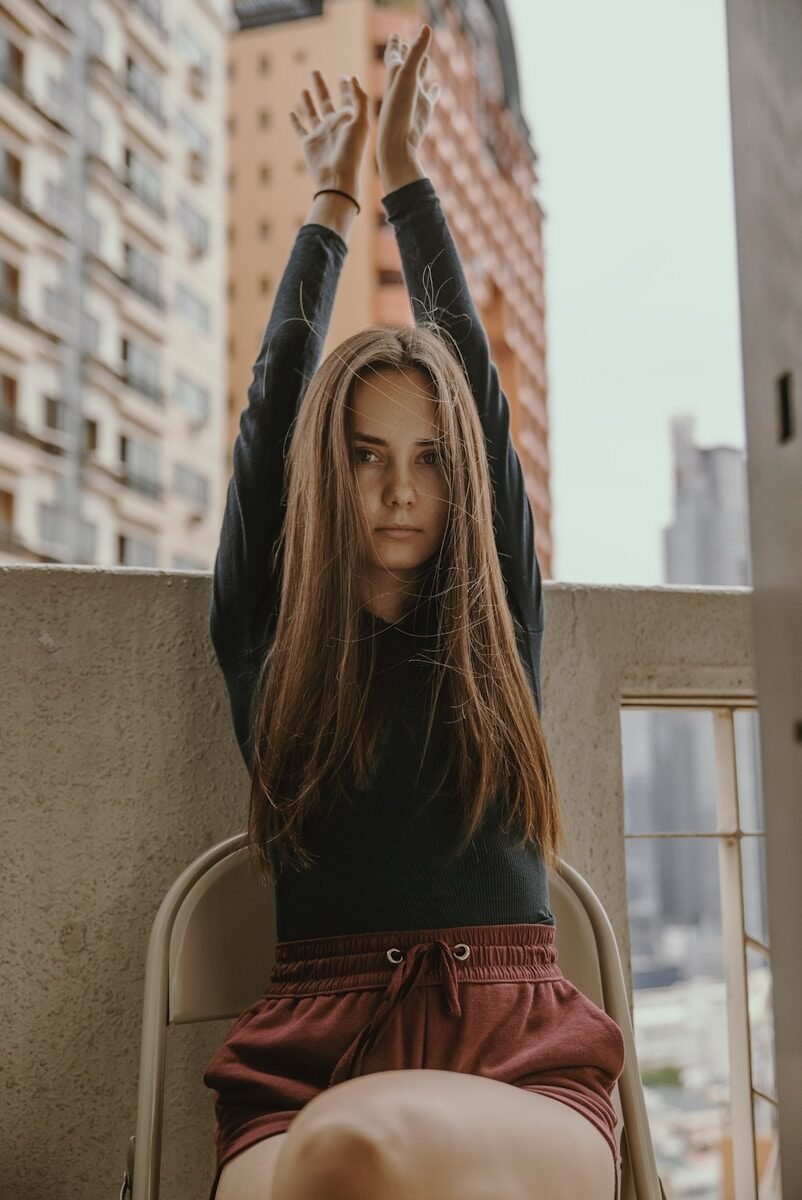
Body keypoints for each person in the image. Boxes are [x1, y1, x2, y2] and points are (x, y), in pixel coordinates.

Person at [203, 23, 625, 1200]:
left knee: (353, 1155)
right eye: (366, 454)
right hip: (306, 1074)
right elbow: (271, 399)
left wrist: (405, 180)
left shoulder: (497, 644)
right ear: (325, 475)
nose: (400, 487)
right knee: (338, 1153)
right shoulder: (270, 645)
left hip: (521, 1068)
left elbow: (487, 406)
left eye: (432, 459)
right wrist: (331, 198)